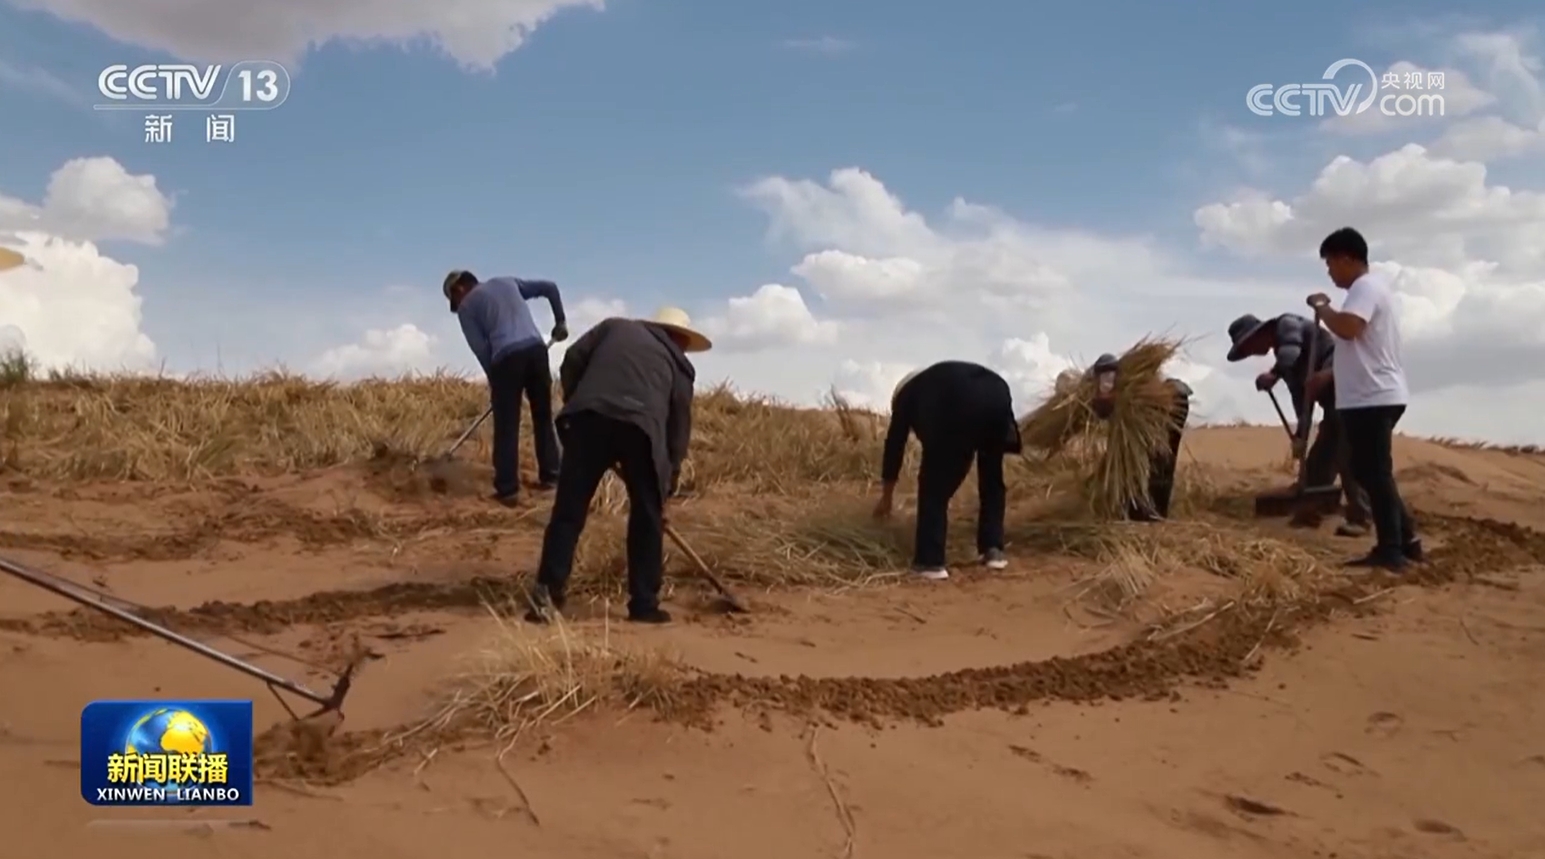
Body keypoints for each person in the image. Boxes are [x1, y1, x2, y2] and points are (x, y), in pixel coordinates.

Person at [524, 307, 710, 624]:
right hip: (642, 432)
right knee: (647, 518)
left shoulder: (614, 327)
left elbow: (573, 359)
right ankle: (644, 605)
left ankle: (547, 598)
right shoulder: (680, 366)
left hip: (587, 421)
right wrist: (665, 485)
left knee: (568, 511)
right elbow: (677, 429)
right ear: (679, 337)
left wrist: (579, 400)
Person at [1305, 227, 1421, 570]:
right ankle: (1406, 541)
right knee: (1367, 470)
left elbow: (1349, 328)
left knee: (1374, 472)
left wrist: (1323, 307)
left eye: (1330, 263)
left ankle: (1391, 549)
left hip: (1373, 397)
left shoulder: (1365, 287)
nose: (1329, 272)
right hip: (1369, 395)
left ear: (1346, 258)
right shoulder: (1370, 289)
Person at [872, 361, 1021, 581]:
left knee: (933, 486)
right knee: (992, 476)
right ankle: (993, 550)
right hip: (997, 393)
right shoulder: (934, 382)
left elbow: (894, 446)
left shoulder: (906, 397)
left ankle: (930, 563)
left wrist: (886, 498)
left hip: (959, 399)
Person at [1226, 312, 1371, 536]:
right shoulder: (1287, 363)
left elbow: (1291, 352)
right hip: (1333, 404)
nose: (1251, 353)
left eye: (1248, 347)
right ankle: (1313, 505)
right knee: (1323, 454)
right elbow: (1302, 400)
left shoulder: (1288, 324)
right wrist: (1301, 435)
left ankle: (1362, 515)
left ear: (1258, 334)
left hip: (1347, 390)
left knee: (1346, 453)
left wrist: (1274, 375)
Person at [444, 270, 569, 506]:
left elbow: (481, 348)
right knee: (543, 417)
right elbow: (550, 287)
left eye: (454, 300)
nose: (457, 305)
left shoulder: (467, 307)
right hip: (536, 351)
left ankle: (507, 488)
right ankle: (551, 477)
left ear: (459, 289)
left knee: (507, 425)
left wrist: (496, 382)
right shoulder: (507, 282)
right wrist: (560, 321)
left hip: (506, 358)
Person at [1088, 353, 1190, 522]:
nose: (1106, 383)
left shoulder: (1133, 389)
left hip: (1173, 405)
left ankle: (1154, 509)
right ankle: (1142, 507)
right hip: (1160, 408)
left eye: (1109, 378)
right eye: (1103, 379)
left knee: (1161, 458)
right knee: (1143, 459)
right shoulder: (1099, 390)